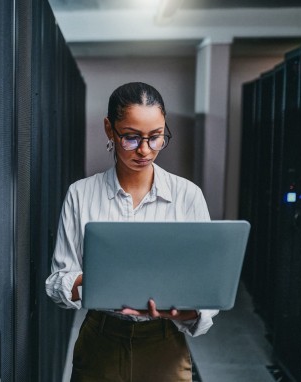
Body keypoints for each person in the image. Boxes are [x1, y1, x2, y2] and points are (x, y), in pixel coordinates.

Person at [45, 82, 218, 382]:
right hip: (101, 339)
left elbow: (206, 291)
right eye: (131, 138)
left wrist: (185, 312)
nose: (145, 150)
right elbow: (58, 281)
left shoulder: (187, 196)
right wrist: (99, 279)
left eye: (156, 137)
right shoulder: (81, 195)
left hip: (164, 342)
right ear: (109, 129)